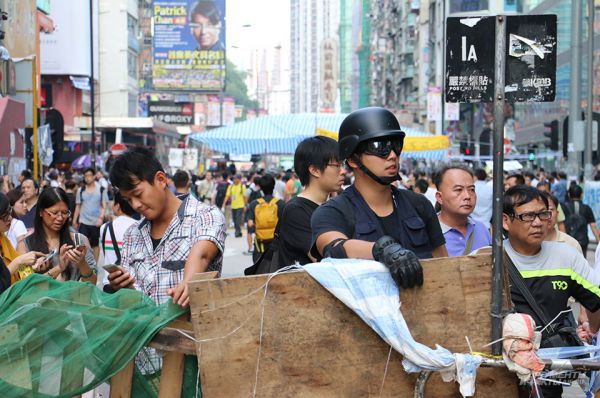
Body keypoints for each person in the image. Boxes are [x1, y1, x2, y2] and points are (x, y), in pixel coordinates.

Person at [311, 107, 448, 289]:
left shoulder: (419, 205)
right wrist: (382, 249)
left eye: (396, 145)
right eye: (379, 147)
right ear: (352, 160)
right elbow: (333, 246)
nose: (392, 155)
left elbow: (445, 264)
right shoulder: (332, 211)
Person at [502, 185, 600, 398]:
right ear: (506, 221)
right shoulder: (487, 260)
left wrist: (591, 329)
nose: (538, 222)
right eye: (527, 216)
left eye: (543, 214)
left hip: (548, 375)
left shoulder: (566, 257)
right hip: (499, 374)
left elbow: (597, 299)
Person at [106, 147, 226, 308]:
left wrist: (188, 284)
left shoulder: (206, 216)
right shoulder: (132, 235)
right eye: (128, 200)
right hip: (146, 330)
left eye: (138, 194)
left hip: (191, 332)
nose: (135, 205)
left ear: (161, 179)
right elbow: (136, 300)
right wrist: (125, 287)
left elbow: (202, 255)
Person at [278, 136, 344, 267]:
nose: (343, 171)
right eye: (337, 165)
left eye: (343, 165)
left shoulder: (331, 205)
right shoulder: (296, 211)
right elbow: (328, 261)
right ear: (314, 170)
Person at [19, 188, 97, 284]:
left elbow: (92, 282)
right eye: (54, 213)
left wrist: (82, 263)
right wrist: (59, 268)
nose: (60, 218)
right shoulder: (25, 245)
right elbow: (25, 287)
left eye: (65, 213)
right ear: (40, 212)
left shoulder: (79, 241)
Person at [435, 166, 492, 257]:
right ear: (440, 197)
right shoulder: (428, 234)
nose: (467, 196)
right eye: (458, 190)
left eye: (471, 190)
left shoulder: (481, 229)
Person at [99, 191, 138, 292]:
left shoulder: (105, 228)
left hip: (110, 282)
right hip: (131, 284)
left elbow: (105, 253)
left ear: (117, 206)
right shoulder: (139, 227)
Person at [73, 168, 109, 261]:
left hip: (95, 222)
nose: (87, 178)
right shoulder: (81, 190)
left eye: (89, 175)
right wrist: (74, 220)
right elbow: (78, 206)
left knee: (95, 245)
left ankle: (95, 267)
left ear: (94, 176)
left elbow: (104, 205)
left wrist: (101, 218)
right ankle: (84, 265)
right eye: (85, 176)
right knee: (81, 244)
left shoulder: (101, 189)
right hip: (83, 221)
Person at [247, 175, 284, 263]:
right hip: (277, 245)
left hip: (260, 245)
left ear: (260, 187)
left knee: (259, 270)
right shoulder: (281, 204)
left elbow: (250, 223)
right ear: (273, 186)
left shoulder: (254, 204)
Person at [563, 184, 600, 255]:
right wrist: (599, 242)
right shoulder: (587, 208)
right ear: (581, 195)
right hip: (582, 241)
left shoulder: (564, 207)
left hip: (568, 241)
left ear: (569, 194)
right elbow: (593, 226)